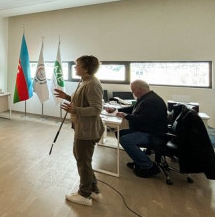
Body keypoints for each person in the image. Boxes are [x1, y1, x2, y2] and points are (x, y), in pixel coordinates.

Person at [54, 55, 104, 206]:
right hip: (82, 128)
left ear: (86, 68)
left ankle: (84, 194)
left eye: (77, 65)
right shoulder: (85, 82)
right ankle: (93, 190)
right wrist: (67, 97)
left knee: (83, 161)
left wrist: (75, 109)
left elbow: (96, 109)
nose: (75, 67)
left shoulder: (92, 84)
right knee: (83, 160)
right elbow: (82, 101)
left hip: (87, 130)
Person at [107, 80, 167, 178]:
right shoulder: (145, 98)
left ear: (140, 89)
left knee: (125, 140)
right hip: (145, 130)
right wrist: (116, 110)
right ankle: (138, 160)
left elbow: (143, 119)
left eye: (133, 90)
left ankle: (148, 166)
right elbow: (133, 108)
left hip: (153, 134)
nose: (132, 92)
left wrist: (126, 116)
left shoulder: (152, 101)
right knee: (119, 133)